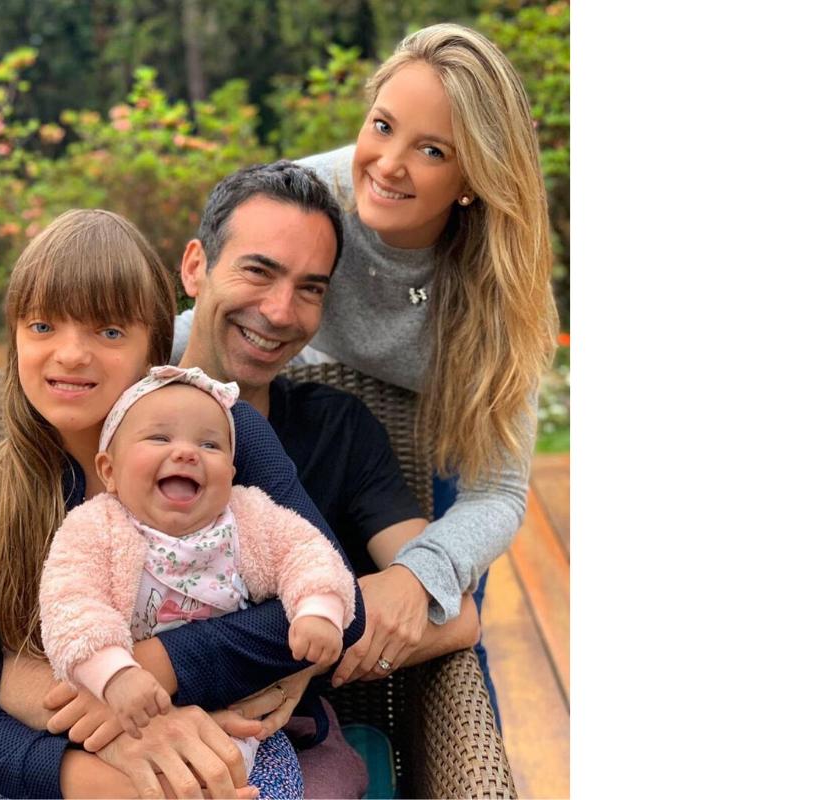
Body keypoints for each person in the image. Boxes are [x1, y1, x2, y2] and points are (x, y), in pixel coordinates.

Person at [176, 22, 558, 726]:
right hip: (306, 400)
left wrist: (417, 575)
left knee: (447, 623)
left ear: (473, 177)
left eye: (432, 150)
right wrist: (142, 381)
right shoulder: (321, 198)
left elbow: (499, 490)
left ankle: (463, 751)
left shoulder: (501, 286)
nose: (387, 164)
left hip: (438, 435)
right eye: (382, 126)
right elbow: (221, 306)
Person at [0, 208, 365, 799]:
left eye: (108, 332)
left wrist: (152, 668)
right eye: (42, 326)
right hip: (84, 768)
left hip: (241, 747)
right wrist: (102, 778)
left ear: (154, 348)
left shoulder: (219, 437)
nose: (70, 354)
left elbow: (339, 597)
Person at [170, 159, 481, 798]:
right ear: (196, 267)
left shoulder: (338, 430)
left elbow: (455, 617)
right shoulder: (116, 420)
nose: (280, 311)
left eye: (310, 288)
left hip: (284, 748)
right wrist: (279, 648)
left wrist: (305, 657)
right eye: (259, 271)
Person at [39, 366, 356, 795]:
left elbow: (307, 552)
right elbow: (70, 606)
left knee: (274, 785)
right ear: (109, 470)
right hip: (134, 723)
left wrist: (317, 609)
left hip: (240, 720)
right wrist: (115, 675)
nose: (187, 453)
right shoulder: (96, 528)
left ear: (231, 471)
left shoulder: (247, 517)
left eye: (209, 444)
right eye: (159, 438)